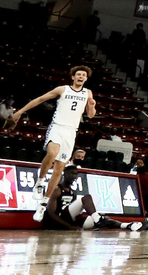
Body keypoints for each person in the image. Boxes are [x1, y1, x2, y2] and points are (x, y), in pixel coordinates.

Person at [10, 65, 96, 222]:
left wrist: (91, 107)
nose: (81, 76)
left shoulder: (88, 93)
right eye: (78, 74)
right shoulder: (62, 90)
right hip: (57, 127)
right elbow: (40, 99)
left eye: (83, 75)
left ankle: (43, 204)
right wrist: (20, 111)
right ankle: (40, 182)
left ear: (86, 78)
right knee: (52, 153)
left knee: (59, 169)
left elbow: (90, 115)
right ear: (73, 77)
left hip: (71, 132)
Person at [40, 165, 142, 232]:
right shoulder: (57, 189)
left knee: (104, 218)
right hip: (61, 219)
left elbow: (74, 212)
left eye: (76, 174)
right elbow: (51, 213)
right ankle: (97, 220)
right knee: (87, 197)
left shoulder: (73, 191)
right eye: (72, 173)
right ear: (65, 174)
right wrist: (69, 227)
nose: (74, 176)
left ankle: (128, 225)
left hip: (71, 220)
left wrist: (75, 223)